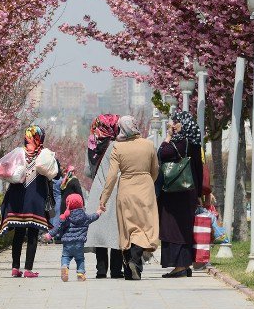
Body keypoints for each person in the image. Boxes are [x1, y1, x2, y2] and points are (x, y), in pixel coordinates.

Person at [99, 116, 160, 280]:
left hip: (126, 190)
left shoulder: (118, 148)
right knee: (144, 227)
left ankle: (129, 269)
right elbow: (155, 169)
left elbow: (111, 176)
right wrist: (148, 182)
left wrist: (103, 198)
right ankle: (135, 262)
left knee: (127, 229)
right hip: (145, 188)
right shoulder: (148, 145)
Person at [0, 125, 52, 278]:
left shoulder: (18, 153)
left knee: (19, 234)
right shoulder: (44, 155)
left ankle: (15, 268)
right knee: (33, 234)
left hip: (17, 199)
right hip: (35, 200)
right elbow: (55, 174)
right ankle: (28, 269)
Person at [157, 111, 202, 278]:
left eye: (174, 122)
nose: (171, 125)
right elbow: (198, 169)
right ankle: (185, 264)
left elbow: (161, 153)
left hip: (175, 193)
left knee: (173, 229)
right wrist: (199, 194)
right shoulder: (195, 143)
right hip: (189, 192)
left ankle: (179, 266)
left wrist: (168, 135)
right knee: (185, 228)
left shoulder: (180, 142)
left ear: (182, 124)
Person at [83, 114, 123, 278]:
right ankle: (115, 269)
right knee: (116, 230)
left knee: (99, 231)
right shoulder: (117, 145)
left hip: (98, 190)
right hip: (115, 190)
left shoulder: (92, 145)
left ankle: (101, 270)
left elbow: (87, 171)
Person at [43, 193, 102, 281]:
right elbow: (93, 217)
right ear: (81, 203)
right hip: (79, 243)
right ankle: (80, 274)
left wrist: (49, 235)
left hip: (67, 243)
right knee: (80, 259)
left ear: (68, 204)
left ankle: (65, 267)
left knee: (65, 257)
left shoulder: (65, 217)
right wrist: (99, 212)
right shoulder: (84, 216)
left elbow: (57, 228)